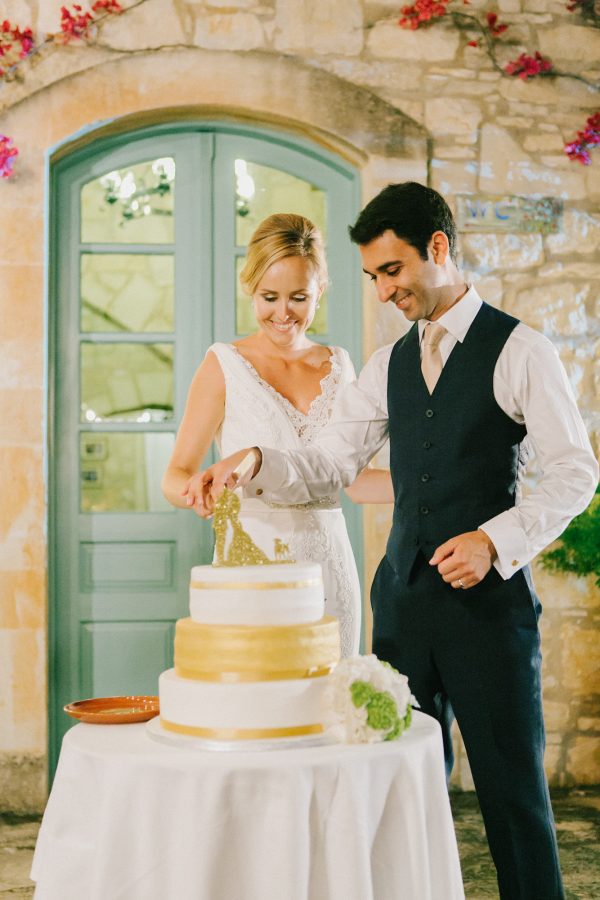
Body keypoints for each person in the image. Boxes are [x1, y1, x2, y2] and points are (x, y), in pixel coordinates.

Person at [194, 183, 598, 900]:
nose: (383, 291)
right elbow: (327, 468)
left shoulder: (520, 350)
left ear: (437, 249)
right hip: (403, 610)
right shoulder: (386, 367)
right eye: (374, 276)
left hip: (489, 614)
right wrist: (256, 462)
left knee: (513, 800)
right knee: (394, 794)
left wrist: (494, 541)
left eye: (392, 271)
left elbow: (575, 472)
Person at [162, 213, 392, 657]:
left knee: (329, 702)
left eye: (298, 297)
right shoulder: (223, 365)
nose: (283, 313)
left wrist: (441, 485)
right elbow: (176, 473)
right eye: (269, 297)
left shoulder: (339, 365)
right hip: (253, 565)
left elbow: (352, 479)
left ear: (319, 292)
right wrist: (193, 491)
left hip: (330, 568)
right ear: (250, 287)